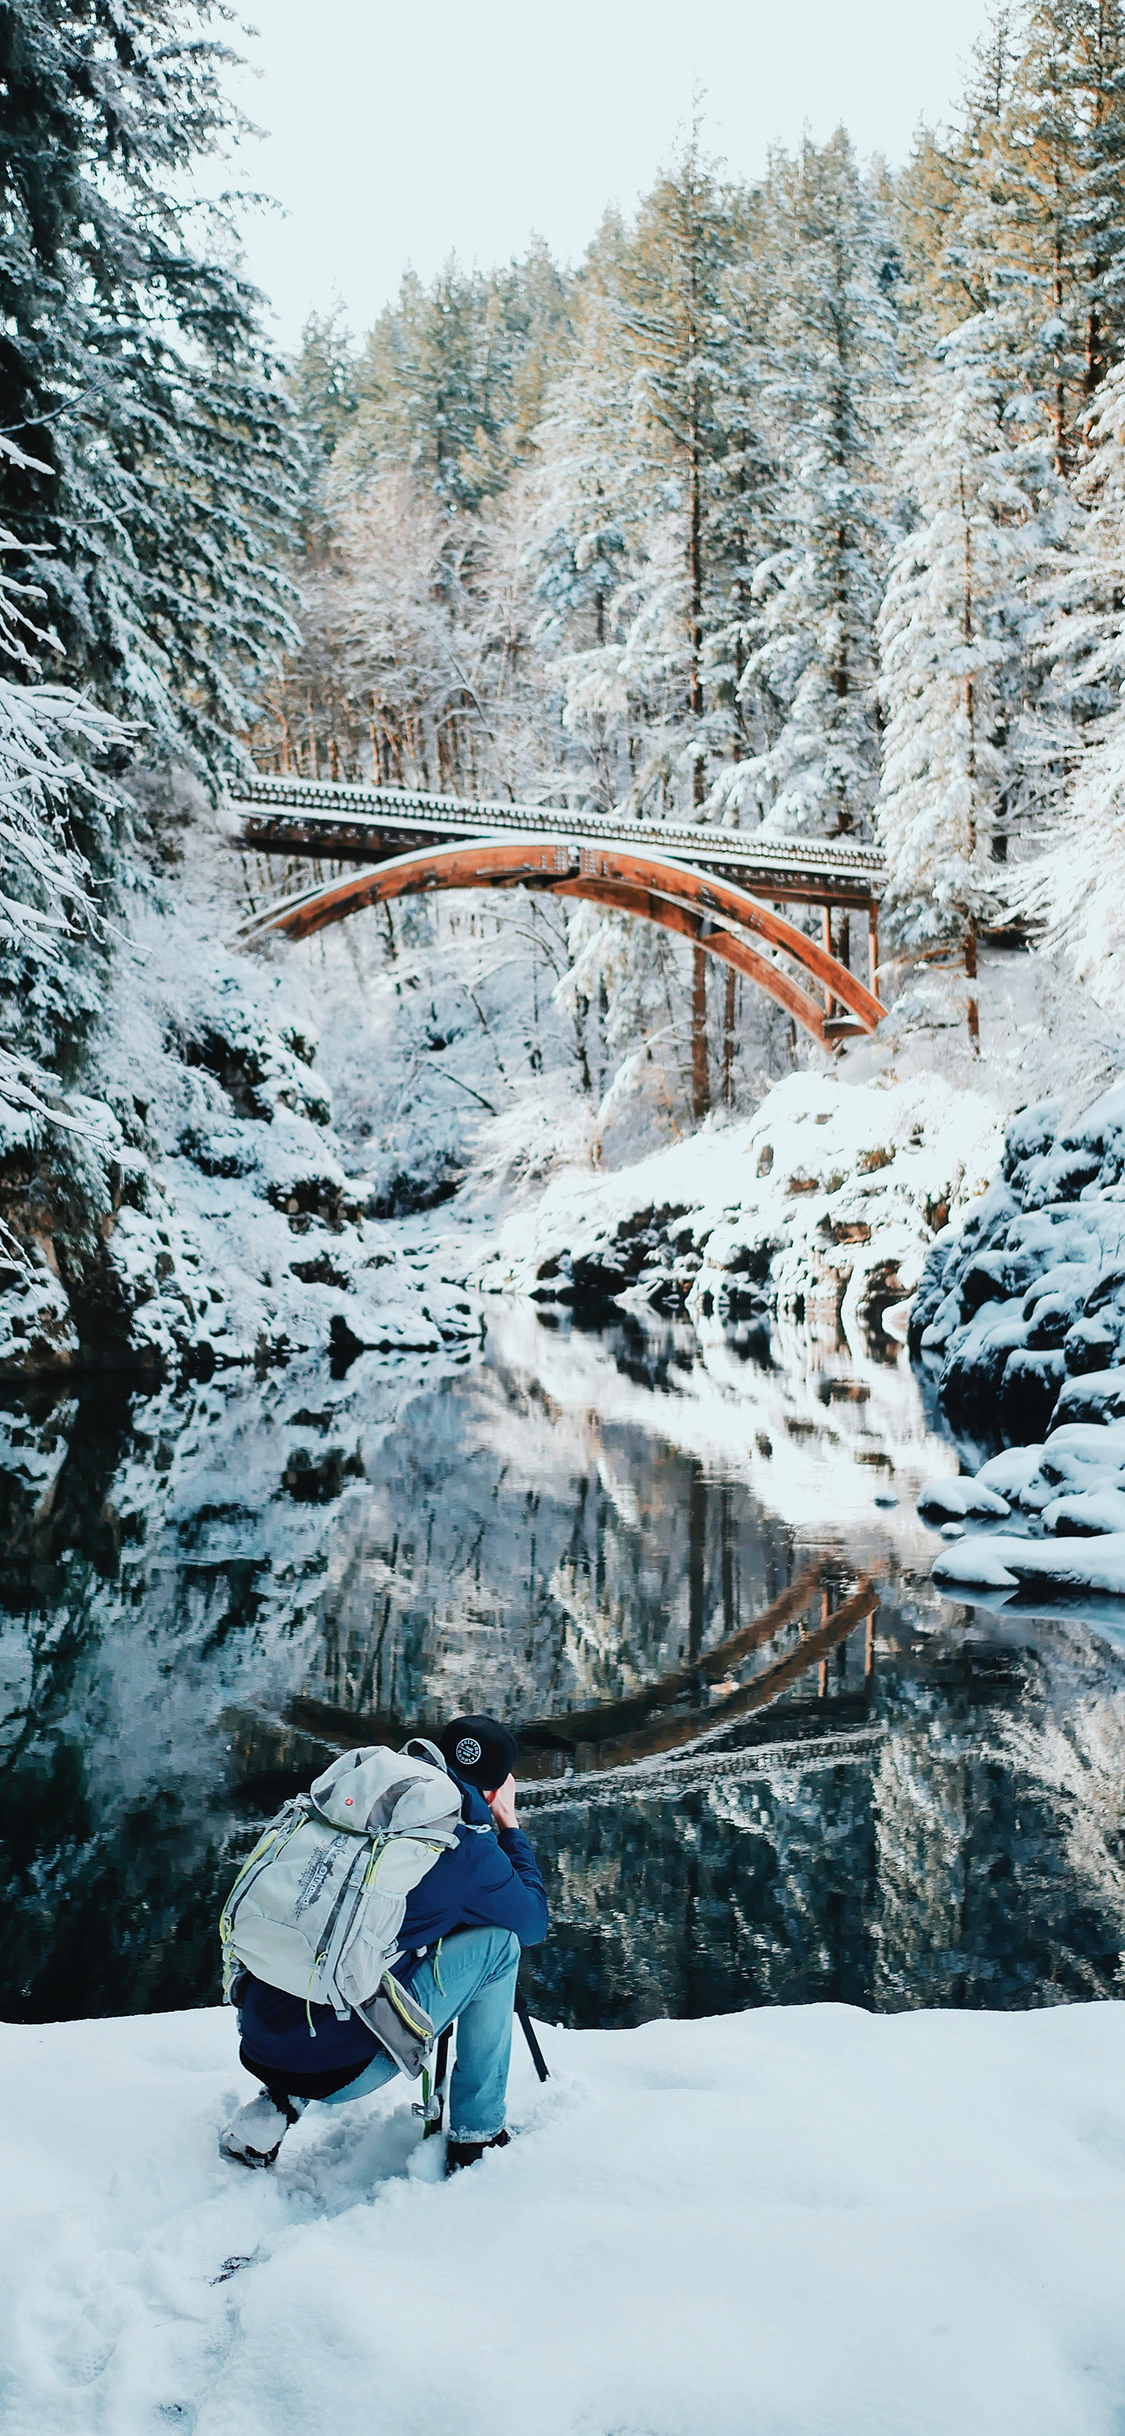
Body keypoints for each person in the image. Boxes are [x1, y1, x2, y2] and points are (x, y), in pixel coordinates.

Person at [220, 1713, 548, 2176]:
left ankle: (275, 2107)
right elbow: (532, 1923)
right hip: (342, 2071)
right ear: (492, 1791)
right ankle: (478, 2134)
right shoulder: (468, 1849)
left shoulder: (355, 1804)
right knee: (499, 1946)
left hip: (259, 2036)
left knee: (344, 1938)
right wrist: (509, 1826)